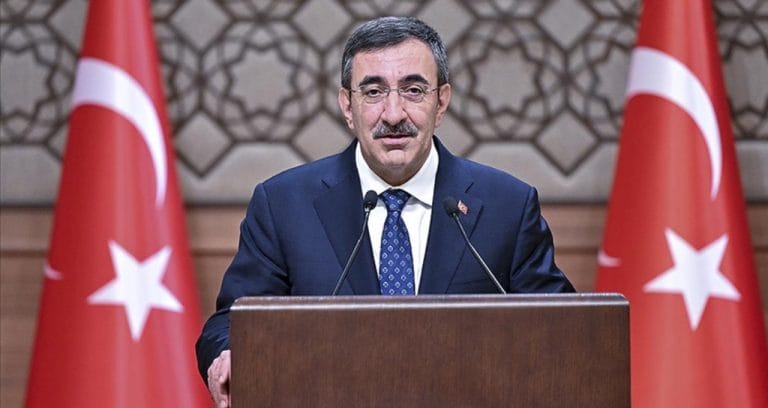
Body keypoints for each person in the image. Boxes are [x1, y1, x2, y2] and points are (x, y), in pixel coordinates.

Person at [196, 16, 575, 407]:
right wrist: (229, 353)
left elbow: (563, 328)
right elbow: (231, 322)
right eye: (373, 92)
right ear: (348, 105)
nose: (393, 114)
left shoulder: (507, 206)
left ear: (441, 101)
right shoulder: (284, 205)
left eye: (413, 90)